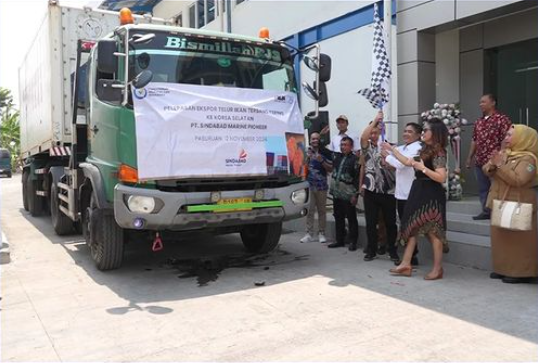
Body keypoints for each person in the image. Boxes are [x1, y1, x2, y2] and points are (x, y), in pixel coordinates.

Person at [387, 118, 449, 280]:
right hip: (419, 190)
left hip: (431, 193)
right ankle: (406, 264)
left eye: (426, 130)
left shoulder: (439, 151)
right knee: (412, 227)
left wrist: (423, 168)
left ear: (434, 133)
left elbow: (441, 177)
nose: (423, 132)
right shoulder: (424, 149)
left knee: (433, 232)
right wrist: (392, 151)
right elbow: (408, 162)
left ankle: (437, 269)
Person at [482, 125, 538, 284]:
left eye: (510, 135)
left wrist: (500, 165)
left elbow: (518, 179)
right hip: (500, 202)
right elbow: (487, 170)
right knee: (501, 239)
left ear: (523, 138)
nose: (506, 138)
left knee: (518, 240)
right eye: (506, 135)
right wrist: (492, 165)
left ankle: (521, 272)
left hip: (518, 204)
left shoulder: (529, 159)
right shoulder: (504, 154)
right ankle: (502, 269)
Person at [382, 122, 423, 265]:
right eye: (405, 131)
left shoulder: (417, 148)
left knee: (410, 226)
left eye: (410, 131)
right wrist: (387, 153)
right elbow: (393, 161)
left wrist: (388, 155)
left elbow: (401, 163)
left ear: (418, 135)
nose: (406, 133)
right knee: (404, 225)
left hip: (411, 193)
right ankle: (409, 256)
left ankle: (412, 257)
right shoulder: (402, 148)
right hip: (400, 193)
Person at [465, 94, 512, 220]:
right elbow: (474, 140)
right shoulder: (478, 122)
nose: (481, 104)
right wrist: (470, 157)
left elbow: (506, 138)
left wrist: (501, 155)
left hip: (495, 161)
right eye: (480, 102)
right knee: (483, 188)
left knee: (497, 187)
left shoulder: (502, 119)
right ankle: (486, 212)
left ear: (493, 103)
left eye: (483, 102)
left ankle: (499, 212)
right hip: (480, 160)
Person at [360, 111, 398, 262]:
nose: (373, 135)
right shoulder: (367, 147)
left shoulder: (391, 147)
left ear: (383, 132)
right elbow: (363, 137)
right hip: (371, 190)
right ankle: (371, 249)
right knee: (370, 222)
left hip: (388, 190)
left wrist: (389, 165)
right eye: (372, 132)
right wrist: (375, 121)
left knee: (390, 222)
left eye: (377, 132)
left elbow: (399, 167)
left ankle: (392, 250)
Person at [326, 137, 360, 249]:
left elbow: (357, 178)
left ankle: (353, 241)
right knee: (338, 217)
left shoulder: (355, 160)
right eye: (342, 145)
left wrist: (356, 195)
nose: (343, 147)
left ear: (351, 146)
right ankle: (339, 240)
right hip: (337, 194)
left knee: (351, 218)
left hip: (349, 194)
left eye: (345, 145)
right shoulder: (337, 157)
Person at [300, 132, 332, 243]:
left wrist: (321, 160)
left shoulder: (325, 152)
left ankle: (322, 233)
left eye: (317, 139)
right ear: (310, 140)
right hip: (309, 185)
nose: (315, 141)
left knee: (322, 210)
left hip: (322, 185)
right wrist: (307, 158)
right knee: (310, 210)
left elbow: (330, 169)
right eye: (313, 139)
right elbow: (301, 167)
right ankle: (309, 233)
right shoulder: (306, 151)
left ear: (320, 140)